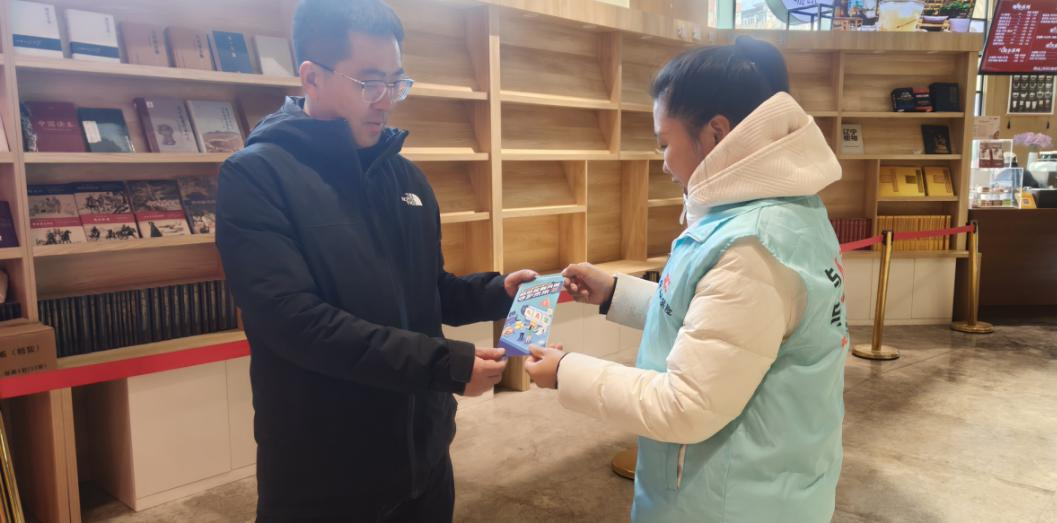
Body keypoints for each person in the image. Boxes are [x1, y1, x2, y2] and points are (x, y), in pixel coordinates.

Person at [215, 1, 538, 520]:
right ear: (311, 77)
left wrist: (493, 293)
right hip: (322, 474)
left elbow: (425, 290)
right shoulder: (256, 178)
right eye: (368, 83)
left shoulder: (406, 179)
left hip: (425, 459)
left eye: (395, 82)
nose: (386, 100)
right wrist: (444, 365)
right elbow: (295, 323)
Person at [526, 37, 848, 522]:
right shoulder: (781, 214)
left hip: (729, 502)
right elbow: (717, 321)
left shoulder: (752, 245)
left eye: (665, 142)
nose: (663, 162)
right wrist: (614, 293)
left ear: (716, 132)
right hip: (762, 485)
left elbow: (687, 405)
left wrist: (565, 371)